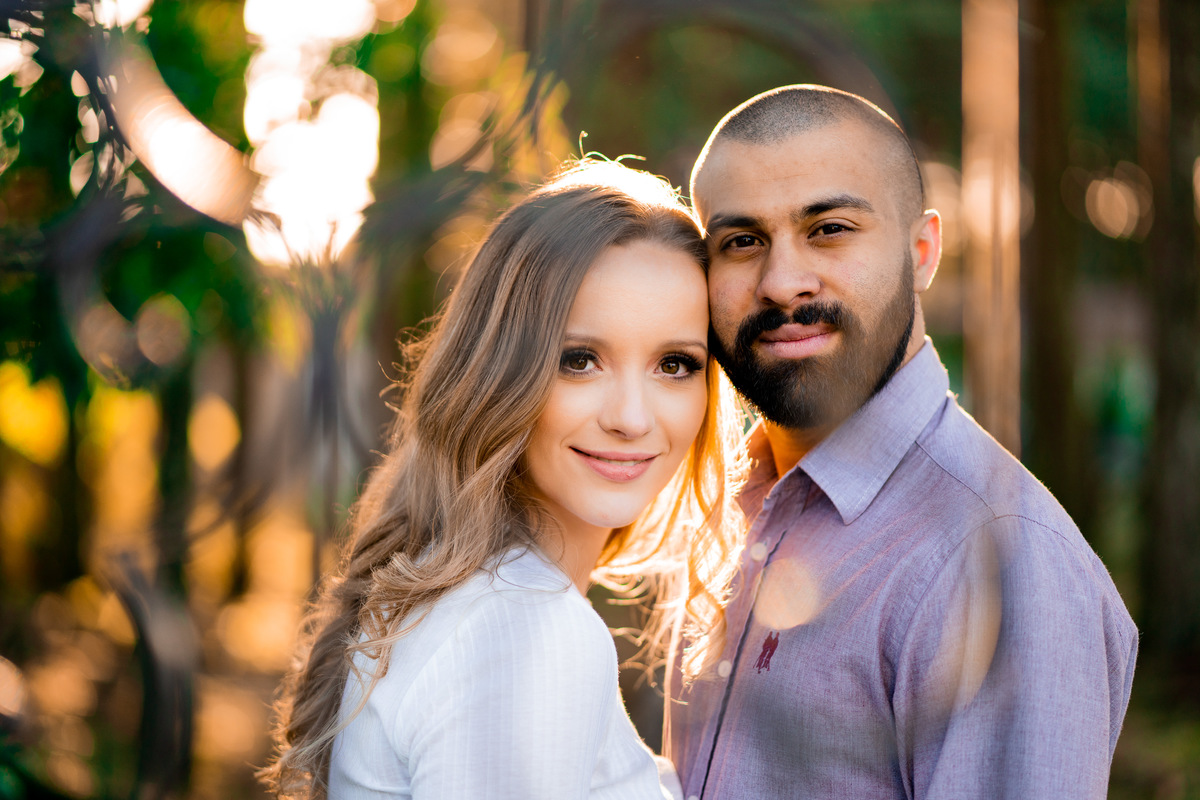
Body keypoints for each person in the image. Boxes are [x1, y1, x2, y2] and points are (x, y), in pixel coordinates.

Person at [665, 85, 1138, 799]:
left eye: (829, 229)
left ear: (921, 253)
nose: (782, 284)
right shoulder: (728, 512)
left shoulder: (1003, 567)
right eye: (741, 242)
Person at [257, 159, 748, 800]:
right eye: (579, 360)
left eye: (675, 364)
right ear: (496, 376)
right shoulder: (525, 627)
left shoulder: (479, 600)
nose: (631, 418)